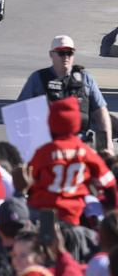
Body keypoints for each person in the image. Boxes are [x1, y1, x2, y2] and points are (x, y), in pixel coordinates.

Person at [28, 96, 116, 226]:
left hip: (43, 216)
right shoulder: (86, 152)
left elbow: (29, 182)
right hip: (73, 216)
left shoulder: (43, 152)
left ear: (50, 124)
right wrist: (112, 210)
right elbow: (109, 185)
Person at [17, 35, 113, 154]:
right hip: (48, 147)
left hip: (80, 146)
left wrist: (105, 144)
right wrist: (24, 148)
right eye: (61, 53)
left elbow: (100, 112)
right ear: (51, 54)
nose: (66, 57)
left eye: (70, 53)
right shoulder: (38, 78)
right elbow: (19, 113)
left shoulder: (86, 79)